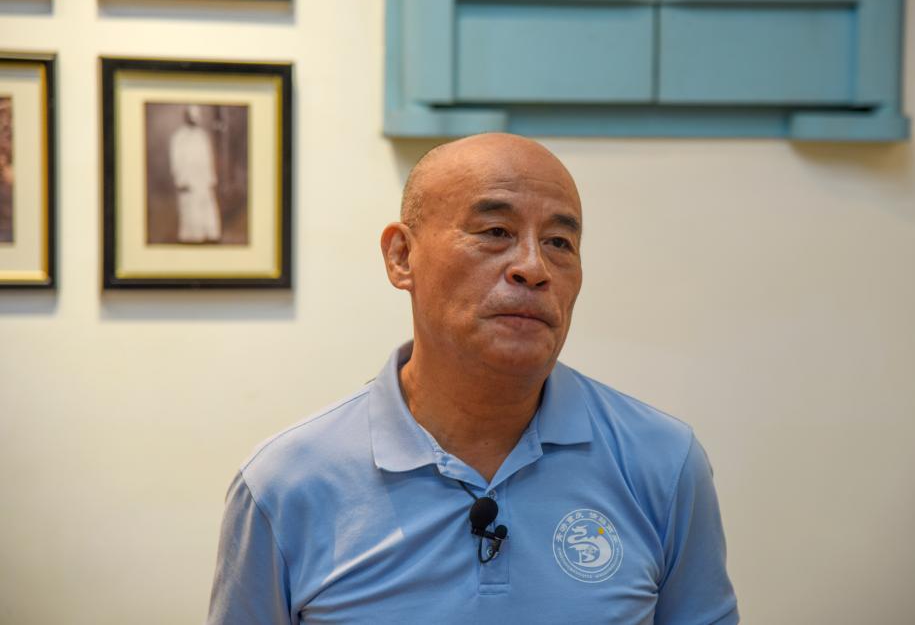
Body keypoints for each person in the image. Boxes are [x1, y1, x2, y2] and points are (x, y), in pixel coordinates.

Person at [207, 133, 739, 624]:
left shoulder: (663, 463)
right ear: (402, 256)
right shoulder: (286, 484)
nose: (533, 267)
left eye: (559, 242)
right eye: (495, 232)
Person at [169, 104, 221, 243]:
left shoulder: (202, 136)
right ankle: (191, 237)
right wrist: (180, 180)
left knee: (206, 205)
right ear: (186, 117)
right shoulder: (179, 137)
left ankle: (209, 235)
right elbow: (175, 160)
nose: (194, 120)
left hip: (202, 178)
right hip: (188, 178)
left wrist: (211, 178)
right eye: (191, 117)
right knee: (189, 207)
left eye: (196, 117)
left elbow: (208, 158)